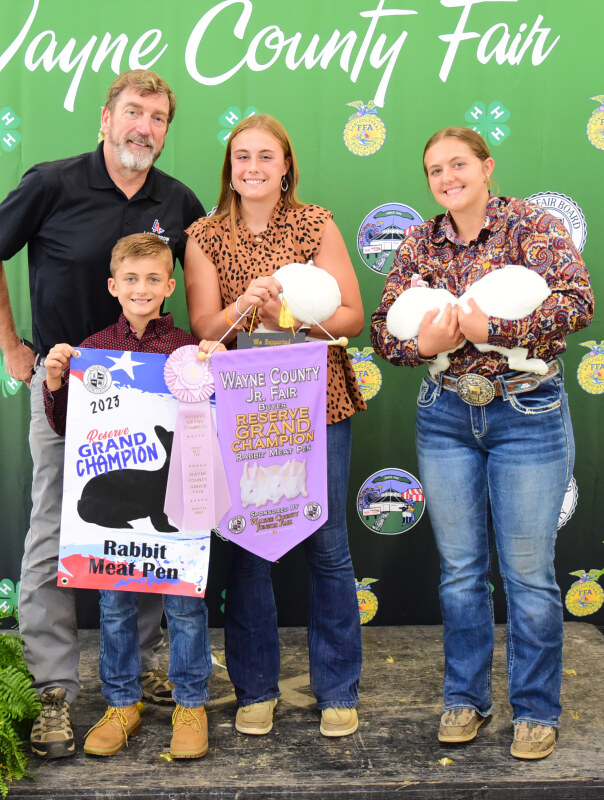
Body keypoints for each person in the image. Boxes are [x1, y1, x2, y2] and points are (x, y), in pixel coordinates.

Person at [0, 69, 205, 759]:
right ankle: (52, 688)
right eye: (133, 112)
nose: (144, 127)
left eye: (158, 117)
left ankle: (138, 671)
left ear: (166, 131)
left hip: (153, 392)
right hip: (68, 387)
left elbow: (201, 293)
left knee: (149, 526)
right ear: (106, 118)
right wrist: (12, 345)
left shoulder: (178, 201)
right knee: (52, 531)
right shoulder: (52, 183)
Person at [371, 127, 593, 760]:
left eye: (458, 164)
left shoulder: (533, 226)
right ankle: (465, 698)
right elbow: (385, 332)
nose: (447, 178)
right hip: (445, 414)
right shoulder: (419, 241)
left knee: (527, 573)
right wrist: (421, 346)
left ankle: (536, 709)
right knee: (462, 572)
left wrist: (492, 327)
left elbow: (578, 303)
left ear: (487, 166)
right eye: (435, 170)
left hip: (526, 411)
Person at [184, 114, 366, 738]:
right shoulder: (204, 235)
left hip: (317, 402)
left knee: (328, 544)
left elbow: (351, 316)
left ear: (286, 165)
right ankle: (255, 690)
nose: (253, 167)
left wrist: (290, 316)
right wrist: (244, 306)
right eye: (242, 156)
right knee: (246, 547)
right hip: (245, 409)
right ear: (229, 167)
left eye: (266, 156)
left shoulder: (315, 224)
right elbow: (205, 328)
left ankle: (338, 689)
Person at [43, 233, 223, 759]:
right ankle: (122, 703)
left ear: (169, 286)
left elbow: (216, 424)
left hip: (182, 504)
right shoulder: (92, 350)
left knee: (185, 606)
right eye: (130, 279)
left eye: (152, 279)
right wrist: (56, 381)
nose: (141, 288)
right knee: (115, 604)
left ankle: (191, 702)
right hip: (115, 520)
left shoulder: (188, 351)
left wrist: (217, 370)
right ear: (113, 286)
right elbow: (66, 428)